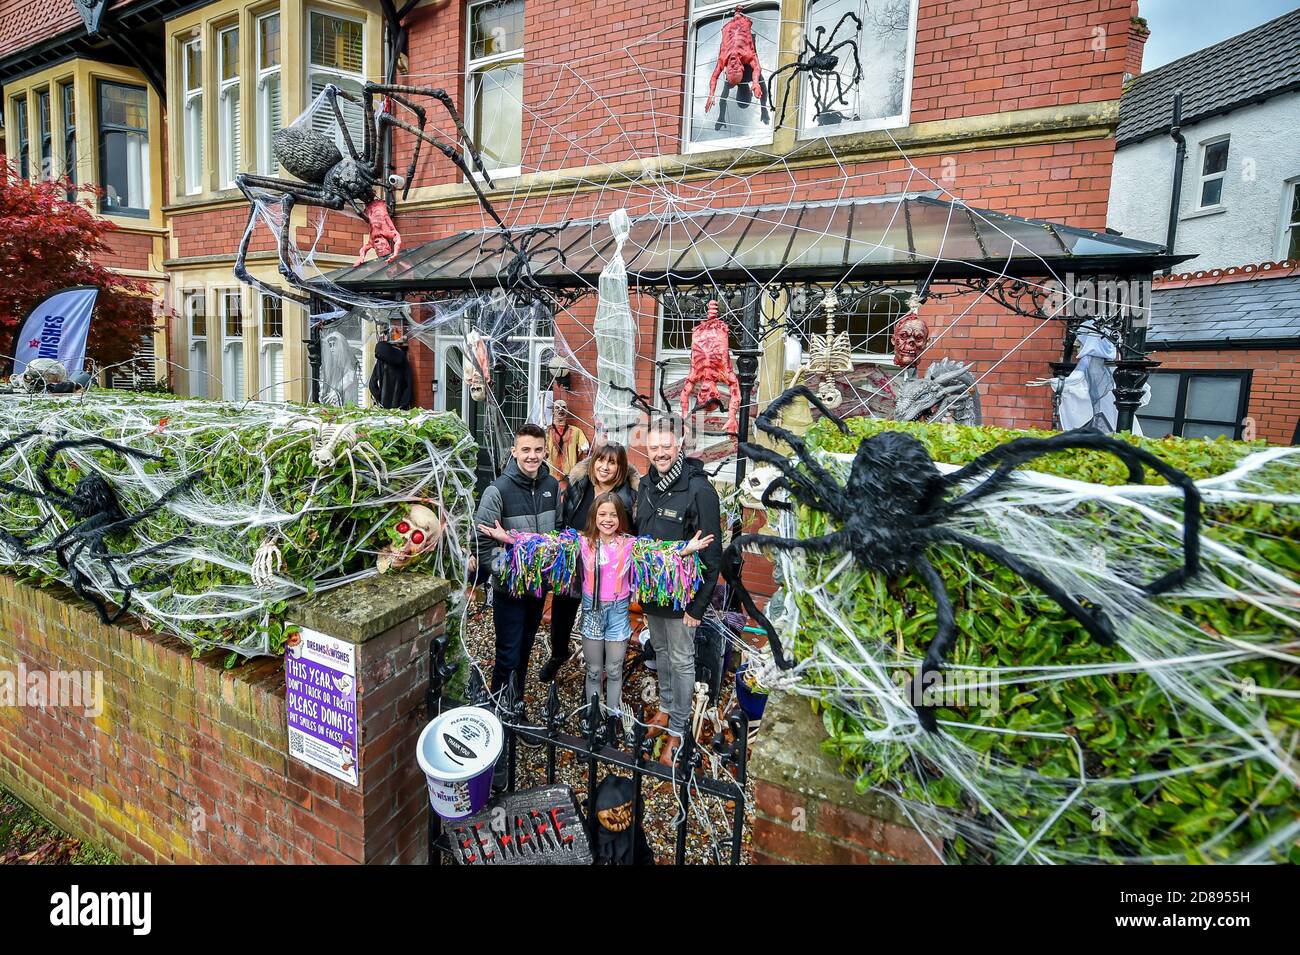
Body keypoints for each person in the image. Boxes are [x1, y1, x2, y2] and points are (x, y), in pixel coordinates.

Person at [480, 493, 712, 743]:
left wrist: (685, 549)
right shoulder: (581, 542)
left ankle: (611, 719)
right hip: (592, 611)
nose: (608, 519)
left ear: (620, 518)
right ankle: (592, 719)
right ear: (594, 517)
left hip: (618, 612)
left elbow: (658, 554)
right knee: (593, 671)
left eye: (613, 514)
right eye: (602, 514)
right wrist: (509, 538)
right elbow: (545, 544)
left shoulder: (630, 544)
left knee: (613, 670)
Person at [634, 416, 724, 766]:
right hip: (654, 595)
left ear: (680, 444)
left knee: (682, 659)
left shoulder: (699, 490)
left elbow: (712, 555)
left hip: (683, 600)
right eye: (653, 447)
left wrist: (697, 608)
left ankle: (680, 729)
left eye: (665, 446)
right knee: (661, 652)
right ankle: (668, 709)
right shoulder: (645, 485)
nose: (660, 453)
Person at [472, 423, 560, 714]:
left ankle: (516, 700)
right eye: (526, 450)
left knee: (525, 648)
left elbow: (557, 531)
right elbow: (483, 545)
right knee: (508, 652)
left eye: (537, 450)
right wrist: (508, 572)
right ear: (514, 452)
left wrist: (546, 568)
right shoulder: (497, 491)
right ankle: (499, 708)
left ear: (545, 451)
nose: (532, 456)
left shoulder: (551, 487)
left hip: (537, 589)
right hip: (509, 590)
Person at [540, 442, 640, 683]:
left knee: (602, 619)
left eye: (612, 463)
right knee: (561, 613)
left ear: (620, 468)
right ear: (593, 462)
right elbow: (565, 517)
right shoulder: (580, 485)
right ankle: (559, 654)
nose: (604, 467)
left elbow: (632, 534)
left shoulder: (627, 497)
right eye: (600, 460)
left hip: (606, 570)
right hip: (574, 563)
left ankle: (603, 669)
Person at [546, 399, 591, 478]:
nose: (560, 409)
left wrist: (584, 448)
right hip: (550, 474)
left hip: (568, 475)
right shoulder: (547, 431)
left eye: (563, 407)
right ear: (553, 411)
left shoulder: (576, 431)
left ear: (567, 411)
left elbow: (585, 447)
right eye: (557, 407)